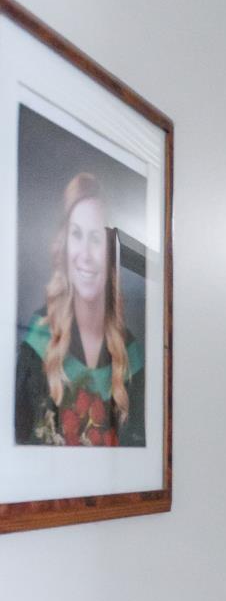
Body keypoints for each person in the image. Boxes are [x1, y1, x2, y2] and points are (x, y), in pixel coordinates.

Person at [14, 171, 145, 447]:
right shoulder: (37, 343)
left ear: (110, 253)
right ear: (64, 245)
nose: (85, 254)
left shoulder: (131, 355)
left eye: (96, 238)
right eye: (76, 235)